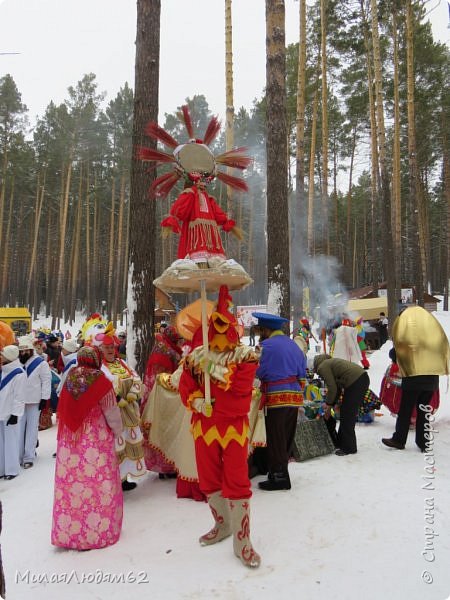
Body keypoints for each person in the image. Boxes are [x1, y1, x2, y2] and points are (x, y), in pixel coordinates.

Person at [179, 286, 261, 568]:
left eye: (225, 322)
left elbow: (240, 395)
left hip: (233, 428)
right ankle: (223, 524)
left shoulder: (245, 357)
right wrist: (198, 401)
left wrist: (214, 383)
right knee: (209, 479)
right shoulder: (194, 357)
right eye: (216, 322)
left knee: (237, 480)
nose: (220, 328)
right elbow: (185, 387)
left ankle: (243, 539)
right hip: (203, 427)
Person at [51, 346, 124, 550]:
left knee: (72, 487)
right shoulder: (100, 380)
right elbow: (111, 412)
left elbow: (63, 408)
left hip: (70, 442)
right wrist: (118, 431)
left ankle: (69, 532)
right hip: (95, 440)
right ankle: (97, 531)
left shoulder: (70, 377)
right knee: (96, 482)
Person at [381, 306, 449, 452]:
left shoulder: (407, 338)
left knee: (405, 411)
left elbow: (394, 355)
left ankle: (399, 440)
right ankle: (423, 443)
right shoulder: (432, 336)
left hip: (413, 381)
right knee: (423, 412)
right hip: (431, 382)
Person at [252, 311, 306, 491]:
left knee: (275, 437)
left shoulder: (265, 346)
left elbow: (257, 372)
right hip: (294, 396)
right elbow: (302, 372)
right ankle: (281, 473)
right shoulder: (294, 345)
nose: (260, 333)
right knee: (286, 437)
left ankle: (279, 477)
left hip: (276, 397)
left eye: (261, 330)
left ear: (266, 330)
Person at [97, 328, 146, 491]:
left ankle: (124, 478)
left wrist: (133, 393)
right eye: (107, 347)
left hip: (129, 411)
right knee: (115, 446)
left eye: (112, 347)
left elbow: (136, 378)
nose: (110, 350)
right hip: (112, 413)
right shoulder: (100, 368)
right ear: (100, 349)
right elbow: (103, 387)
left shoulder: (122, 363)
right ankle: (113, 480)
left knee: (128, 443)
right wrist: (117, 399)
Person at [141, 325, 182, 478]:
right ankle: (166, 467)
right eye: (178, 340)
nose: (180, 343)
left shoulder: (162, 347)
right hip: (163, 396)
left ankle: (161, 467)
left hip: (155, 395)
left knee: (158, 429)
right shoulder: (166, 351)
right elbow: (164, 377)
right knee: (164, 430)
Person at [313, 354, 370, 455]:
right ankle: (341, 442)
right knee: (346, 412)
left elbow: (332, 388)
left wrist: (328, 404)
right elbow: (337, 388)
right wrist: (333, 403)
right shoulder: (330, 363)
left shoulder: (323, 366)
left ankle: (349, 448)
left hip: (356, 382)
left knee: (348, 414)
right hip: (360, 379)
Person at [17, 335, 52, 469]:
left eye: (26, 350)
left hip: (34, 401)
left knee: (32, 429)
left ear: (31, 350)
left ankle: (29, 456)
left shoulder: (40, 363)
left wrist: (44, 398)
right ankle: (18, 455)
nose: (23, 353)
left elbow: (46, 381)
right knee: (19, 430)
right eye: (21, 351)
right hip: (19, 401)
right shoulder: (18, 363)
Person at [0, 345, 26, 480]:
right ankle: (1, 469)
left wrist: (15, 414)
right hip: (1, 410)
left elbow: (19, 396)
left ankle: (12, 469)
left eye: (2, 355)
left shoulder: (19, 373)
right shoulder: (3, 369)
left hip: (11, 413)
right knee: (1, 442)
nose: (1, 357)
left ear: (9, 357)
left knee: (11, 441)